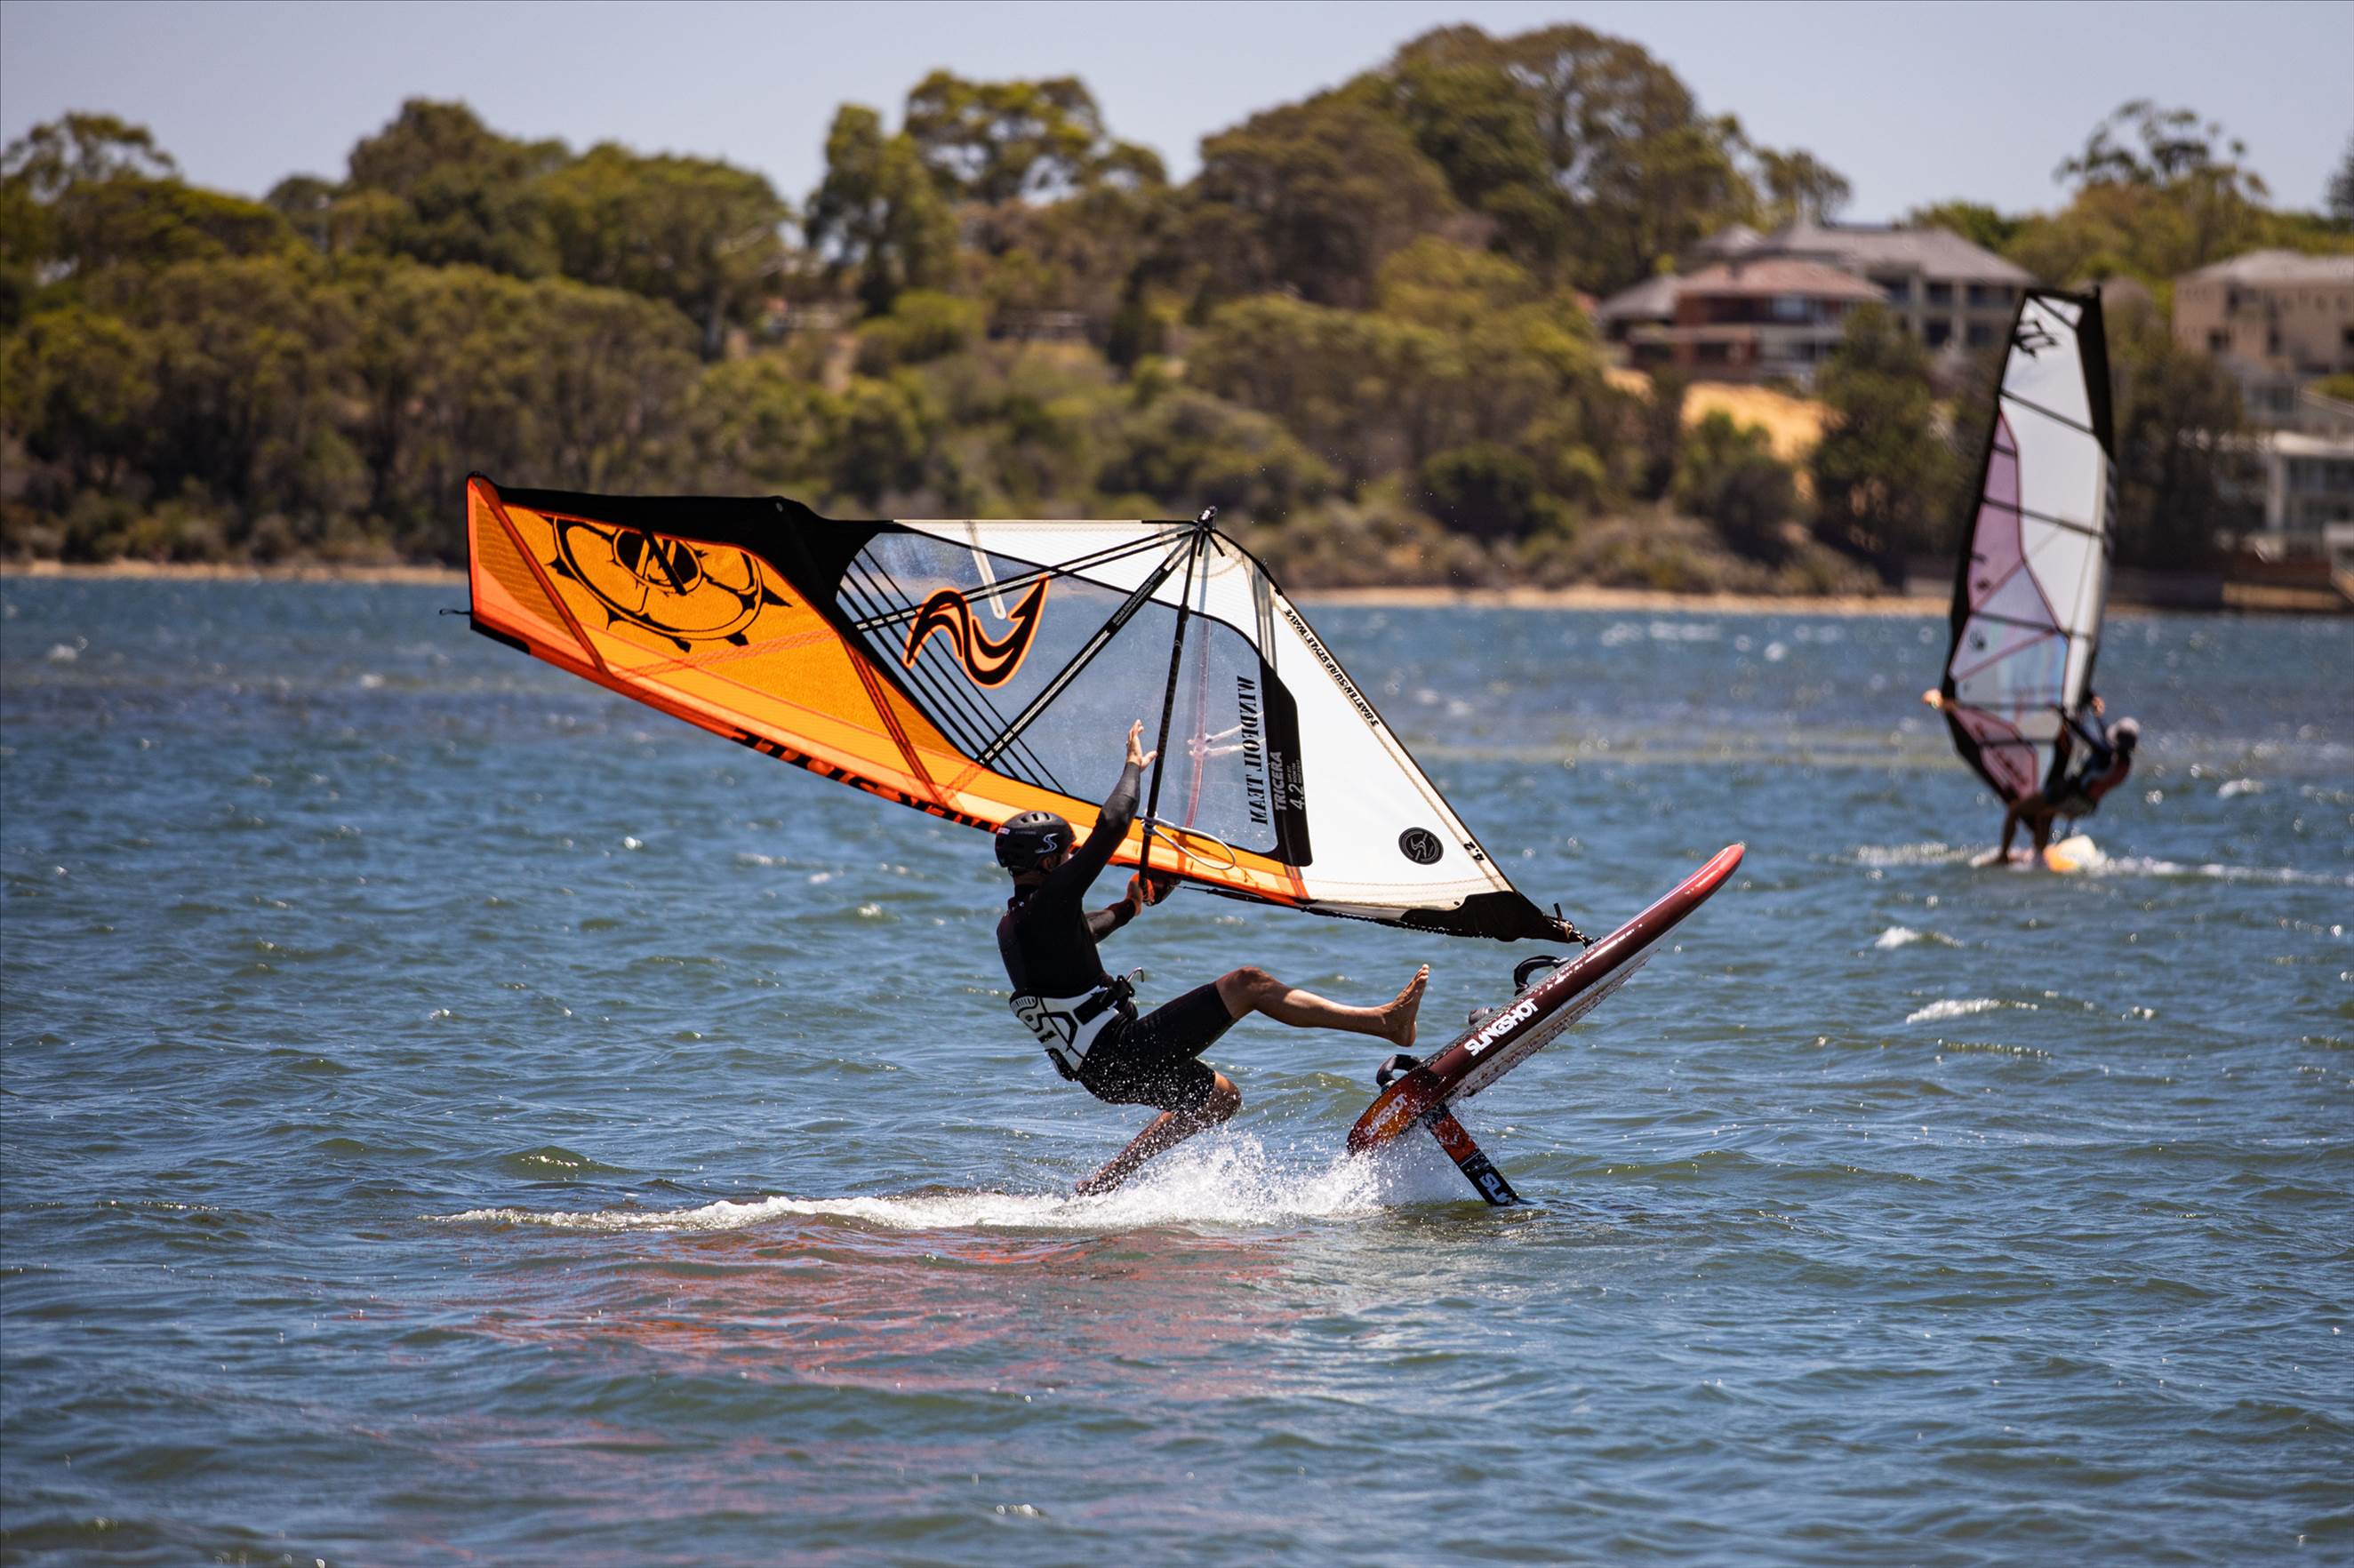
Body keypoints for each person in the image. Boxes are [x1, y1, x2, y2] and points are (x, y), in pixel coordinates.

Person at [997, 719, 1429, 1196]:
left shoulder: (1016, 926)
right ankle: (1384, 1022)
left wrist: (1129, 907)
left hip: (1102, 1075)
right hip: (1122, 1052)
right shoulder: (1054, 898)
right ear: (1047, 864)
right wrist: (1132, 767)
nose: (1075, 859)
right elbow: (1115, 822)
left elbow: (1080, 935)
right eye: (1069, 854)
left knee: (1220, 1100)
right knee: (1249, 983)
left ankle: (1104, 1182)